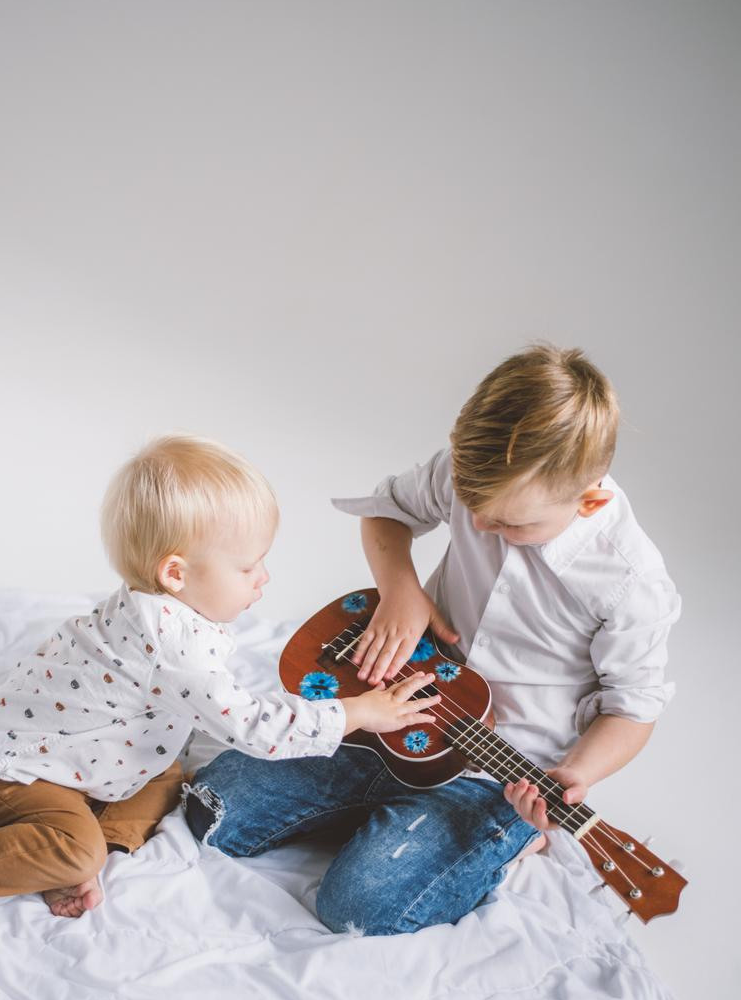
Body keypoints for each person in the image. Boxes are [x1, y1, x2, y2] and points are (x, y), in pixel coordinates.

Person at [184, 344, 681, 935]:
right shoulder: (474, 473)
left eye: (511, 524)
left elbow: (633, 707)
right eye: (471, 508)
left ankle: (498, 840)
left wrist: (578, 772)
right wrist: (401, 591)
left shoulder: (630, 581)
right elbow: (387, 513)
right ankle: (385, 821)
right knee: (210, 808)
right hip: (392, 710)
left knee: (360, 909)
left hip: (495, 771)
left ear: (590, 500)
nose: (481, 527)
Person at [0, 437, 438, 917]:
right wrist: (359, 713)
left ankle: (82, 857)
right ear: (176, 573)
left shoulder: (159, 607)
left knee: (167, 773)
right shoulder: (170, 638)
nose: (264, 580)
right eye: (249, 566)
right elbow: (254, 727)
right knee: (76, 842)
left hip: (82, 757)